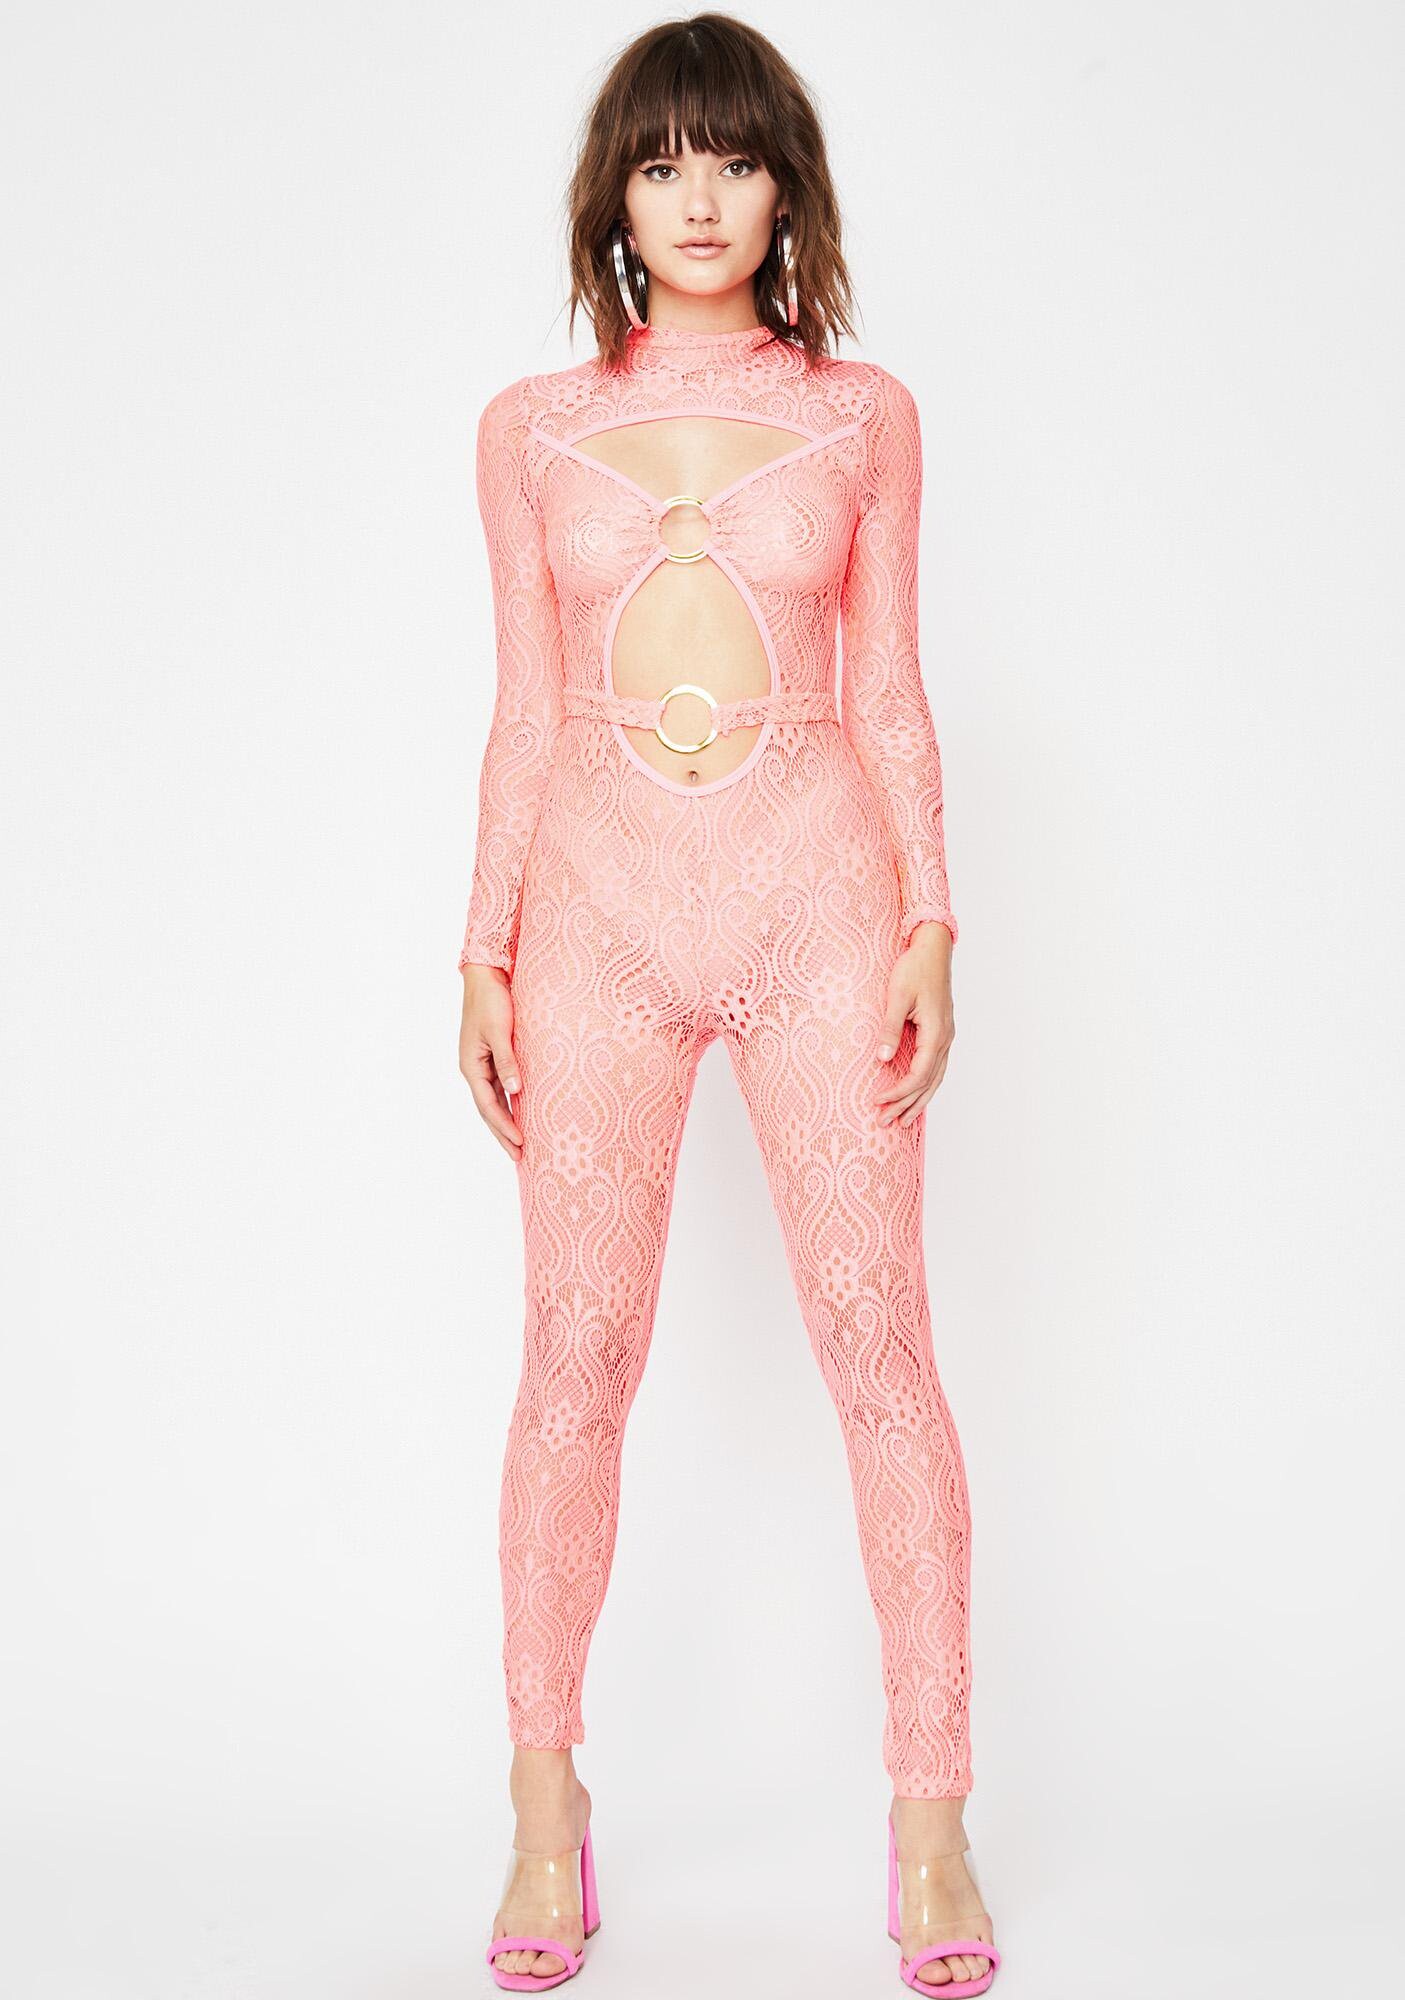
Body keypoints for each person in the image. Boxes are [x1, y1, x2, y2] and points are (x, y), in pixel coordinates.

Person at [457, 14, 1001, 1994]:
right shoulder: (529, 427)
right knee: (573, 1356)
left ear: (788, 189)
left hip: (817, 903)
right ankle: (545, 1810)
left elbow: (889, 685)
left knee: (879, 1348)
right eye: (662, 160)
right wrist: (483, 945)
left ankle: (930, 1821)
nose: (698, 198)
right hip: (596, 916)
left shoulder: (864, 415)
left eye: (735, 158)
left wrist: (931, 914)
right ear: (615, 193)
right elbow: (527, 706)